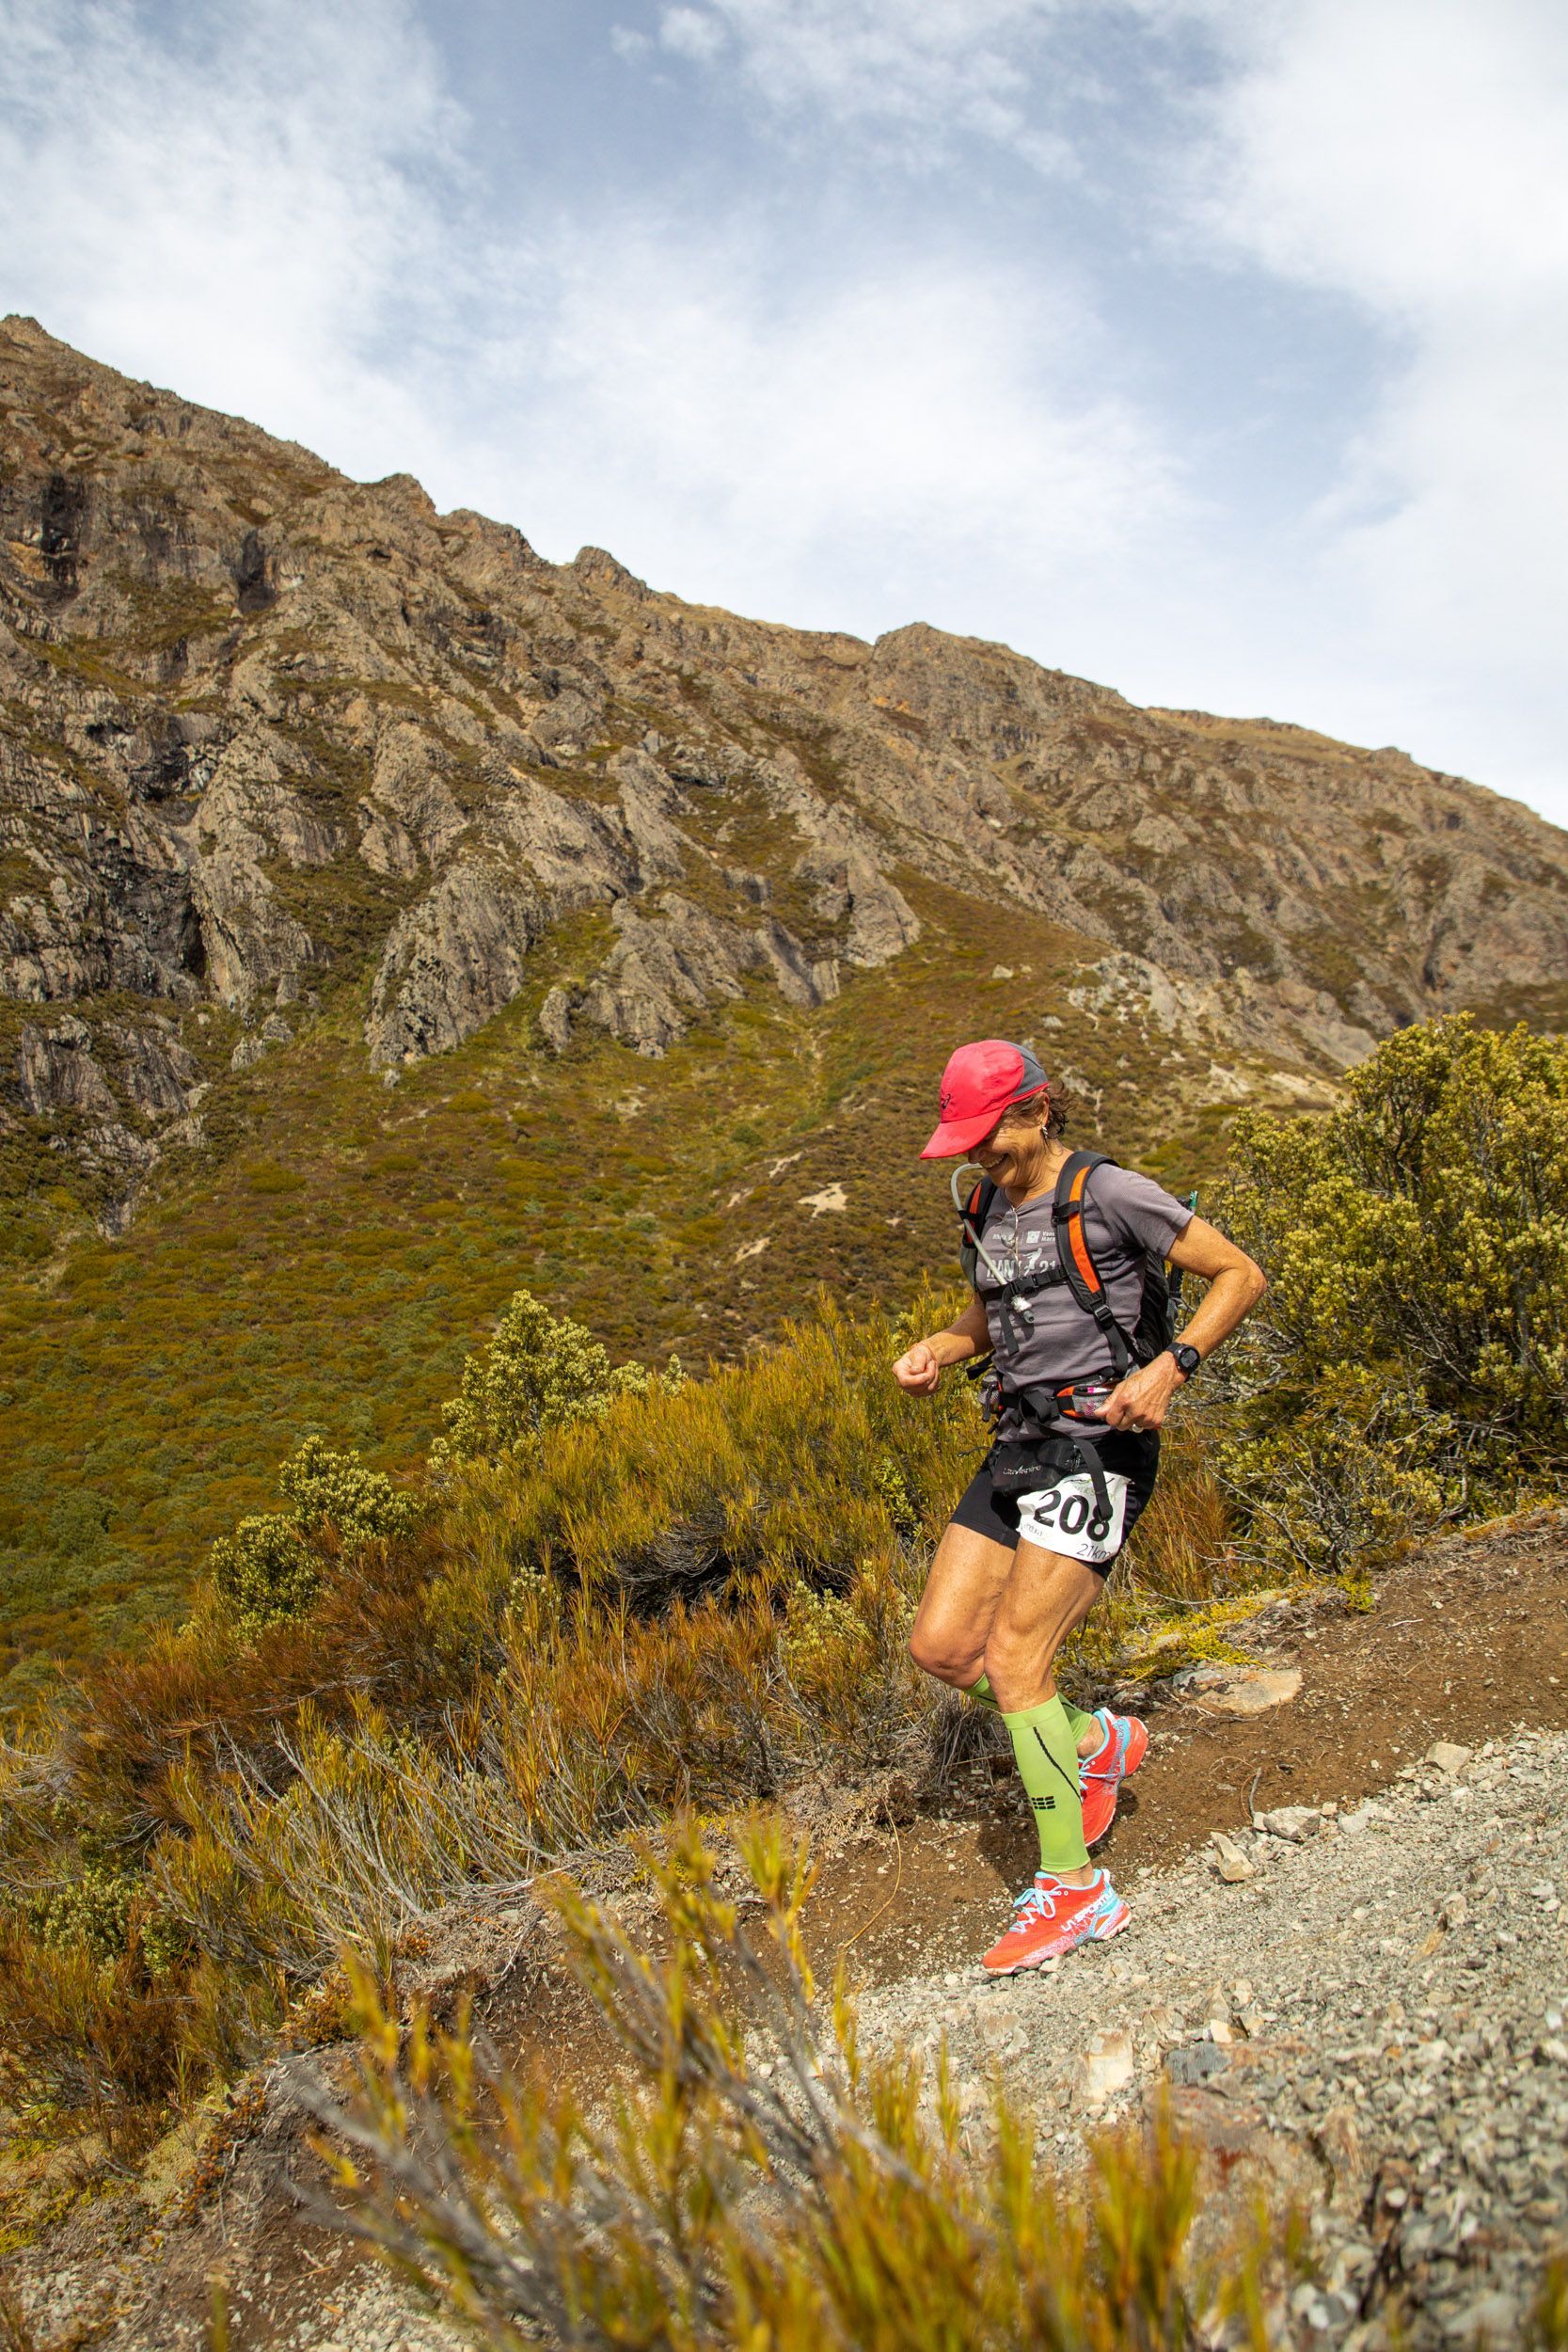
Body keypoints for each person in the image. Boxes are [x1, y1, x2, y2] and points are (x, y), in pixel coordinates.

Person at [894, 1038, 1266, 1976]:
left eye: (988, 1135)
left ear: (1037, 1109)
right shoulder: (983, 1204)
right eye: (964, 1141)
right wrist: (937, 1350)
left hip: (1100, 1444)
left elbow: (1239, 1274)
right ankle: (1090, 1741)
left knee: (1018, 1658)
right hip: (1016, 1444)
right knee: (940, 1646)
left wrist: (1169, 1368)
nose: (976, 1155)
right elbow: (990, 1313)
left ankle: (1074, 1890)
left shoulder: (1110, 1193)